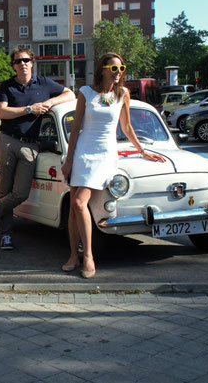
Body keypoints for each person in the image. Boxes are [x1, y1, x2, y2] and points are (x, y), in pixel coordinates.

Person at [61, 52, 166, 279]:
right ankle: (72, 256)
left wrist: (142, 150)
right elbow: (76, 128)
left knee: (80, 203)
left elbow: (127, 128)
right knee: (73, 208)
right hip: (82, 154)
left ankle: (88, 256)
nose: (118, 73)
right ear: (102, 70)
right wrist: (69, 160)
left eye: (121, 68)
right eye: (113, 68)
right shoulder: (85, 93)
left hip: (104, 155)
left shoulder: (123, 94)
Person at [0, 46, 75, 251]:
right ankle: (6, 235)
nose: (22, 64)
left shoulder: (43, 84)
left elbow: (69, 94)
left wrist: (48, 102)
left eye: (25, 60)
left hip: (31, 145)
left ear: (32, 62)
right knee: (4, 190)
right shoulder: (7, 86)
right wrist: (30, 109)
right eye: (17, 61)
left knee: (21, 192)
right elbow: (1, 112)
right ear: (13, 65)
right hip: (7, 140)